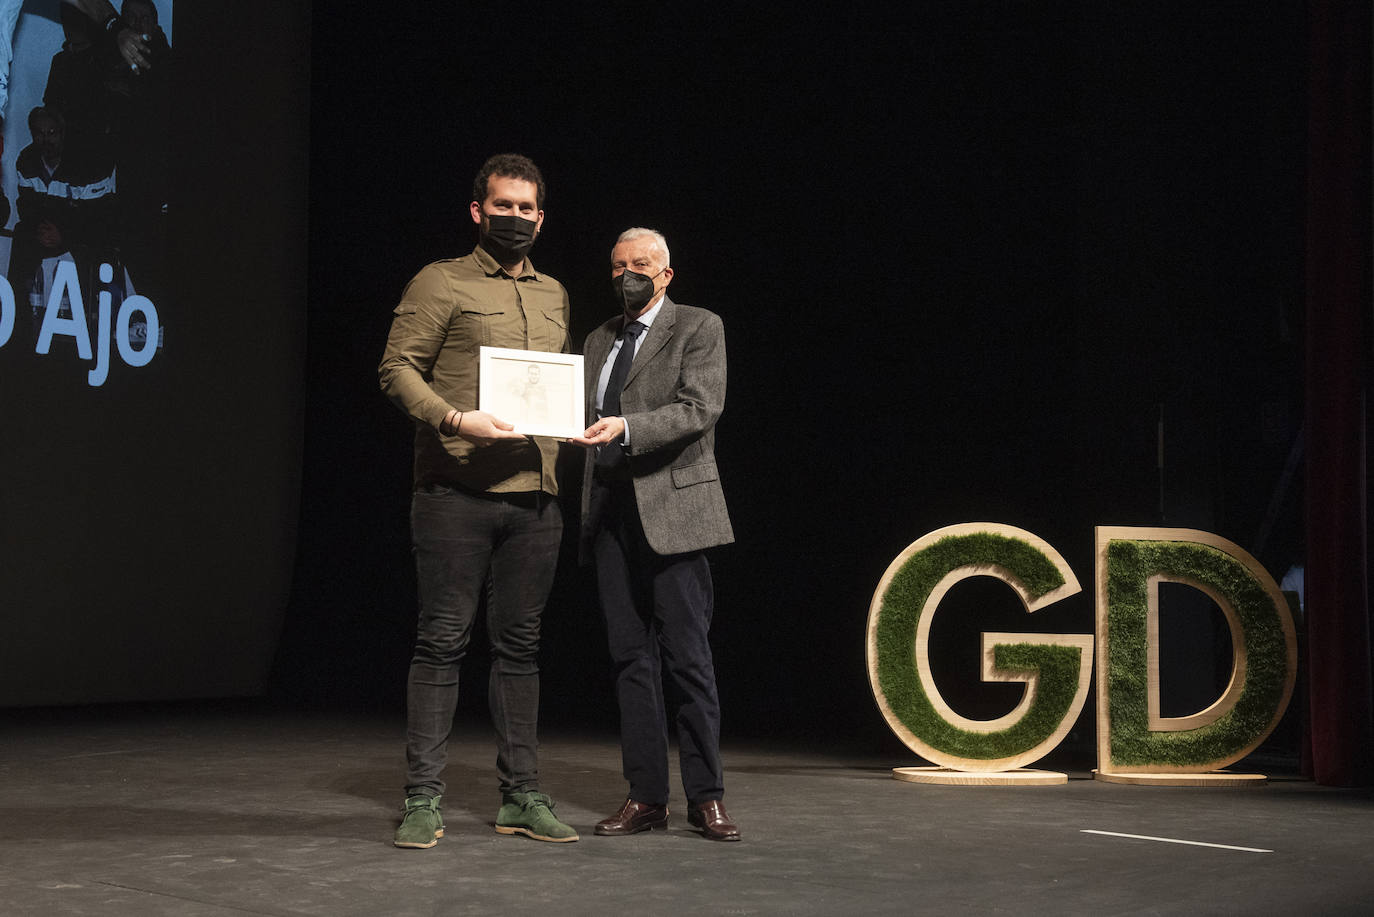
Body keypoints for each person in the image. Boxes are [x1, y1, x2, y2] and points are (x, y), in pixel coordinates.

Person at [378, 153, 577, 848]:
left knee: (521, 648)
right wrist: (456, 419)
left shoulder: (555, 294)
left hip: (535, 499)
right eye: (503, 206)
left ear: (540, 218)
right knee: (441, 642)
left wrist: (572, 423)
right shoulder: (441, 281)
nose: (514, 218)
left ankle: (521, 795)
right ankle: (422, 798)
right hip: (454, 493)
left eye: (526, 209)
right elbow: (396, 369)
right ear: (477, 211)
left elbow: (553, 382)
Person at [571, 227, 740, 841]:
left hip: (674, 514)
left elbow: (700, 407)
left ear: (666, 274)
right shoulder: (598, 338)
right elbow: (579, 412)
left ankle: (706, 797)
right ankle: (646, 797)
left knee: (688, 660)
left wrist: (626, 426)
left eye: (640, 265)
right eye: (619, 266)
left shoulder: (698, 326)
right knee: (629, 660)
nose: (628, 276)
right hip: (610, 514)